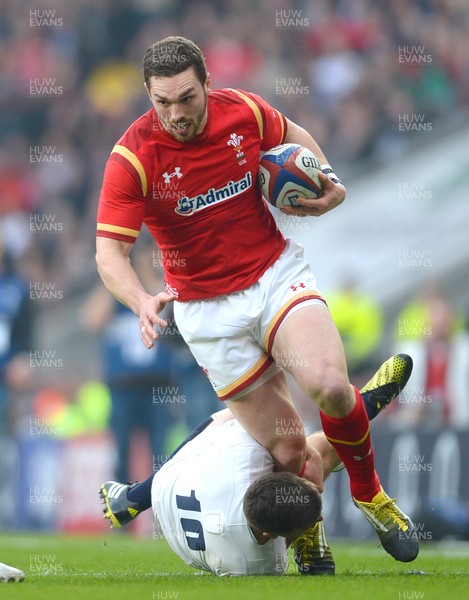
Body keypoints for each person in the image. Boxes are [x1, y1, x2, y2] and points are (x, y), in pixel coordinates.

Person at [95, 36, 417, 561]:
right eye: (163, 102)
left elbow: (291, 133)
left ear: (206, 84)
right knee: (289, 451)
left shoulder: (243, 110)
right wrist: (139, 299)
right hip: (205, 313)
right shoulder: (133, 157)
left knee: (331, 386)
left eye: (187, 98)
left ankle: (370, 494)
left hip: (273, 277)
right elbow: (109, 253)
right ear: (148, 96)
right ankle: (308, 530)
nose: (176, 113)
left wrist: (328, 177)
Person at [100, 355, 416, 576]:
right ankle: (361, 409)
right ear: (269, 535)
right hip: (174, 500)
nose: (319, 512)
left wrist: (304, 458)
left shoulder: (244, 458)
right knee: (294, 453)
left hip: (167, 485)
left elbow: (237, 417)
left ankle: (133, 498)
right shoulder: (261, 563)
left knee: (288, 447)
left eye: (314, 520)